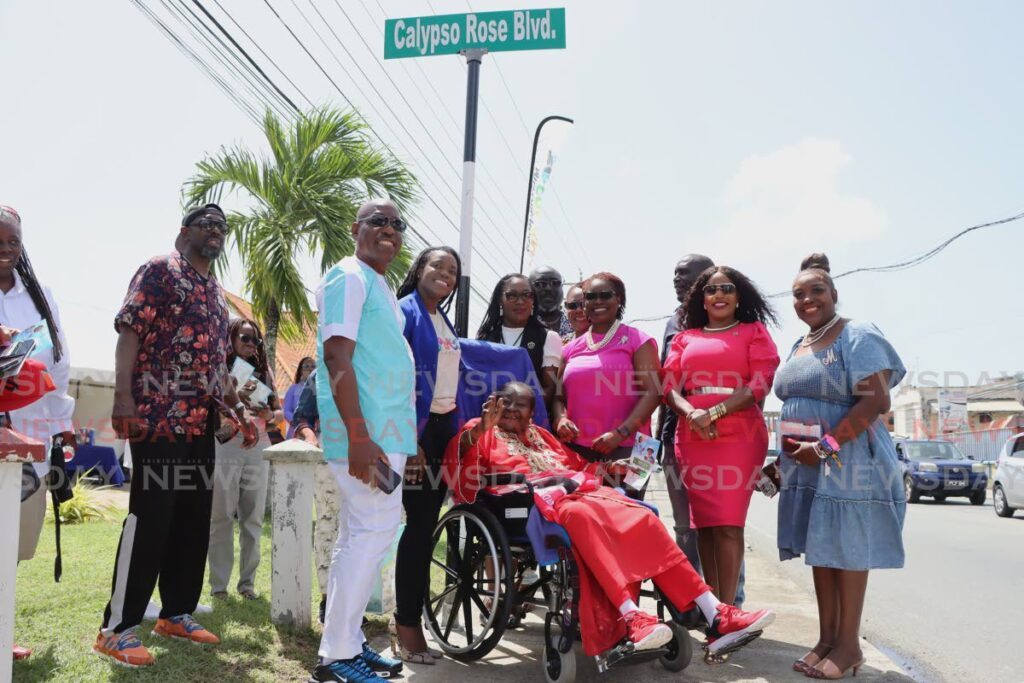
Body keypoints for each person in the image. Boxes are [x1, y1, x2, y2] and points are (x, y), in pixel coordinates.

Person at [444, 382, 776, 659]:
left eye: (522, 405)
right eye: (506, 402)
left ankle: (715, 611)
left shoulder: (542, 435)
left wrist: (611, 469)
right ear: (494, 403)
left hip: (576, 492)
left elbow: (575, 465)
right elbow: (462, 475)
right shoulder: (478, 429)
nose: (513, 409)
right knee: (581, 514)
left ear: (533, 412)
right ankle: (631, 615)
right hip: (528, 507)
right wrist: (482, 430)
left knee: (641, 515)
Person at [95, 204, 256, 668]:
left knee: (190, 520)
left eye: (223, 228)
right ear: (184, 231)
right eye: (208, 224)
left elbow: (218, 368)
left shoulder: (214, 293)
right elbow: (129, 333)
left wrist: (239, 411)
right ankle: (117, 628)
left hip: (198, 425)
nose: (217, 233)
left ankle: (176, 613)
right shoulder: (158, 270)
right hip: (156, 418)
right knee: (150, 521)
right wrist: (122, 398)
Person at [776, 262, 906, 679]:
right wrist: (783, 460)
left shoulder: (858, 334)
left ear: (833, 294)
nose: (807, 299)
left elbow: (874, 403)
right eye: (798, 294)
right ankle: (827, 638)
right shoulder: (802, 341)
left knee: (846, 549)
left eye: (816, 290)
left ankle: (849, 645)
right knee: (822, 550)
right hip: (808, 461)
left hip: (848, 456)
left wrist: (826, 446)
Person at [309, 199, 412, 683]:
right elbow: (336, 359)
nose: (389, 230)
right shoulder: (347, 276)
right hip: (364, 432)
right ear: (356, 229)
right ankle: (336, 658)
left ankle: (346, 642)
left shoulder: (377, 284)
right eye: (379, 222)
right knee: (372, 532)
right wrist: (358, 437)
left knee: (359, 536)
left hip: (382, 431)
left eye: (397, 225)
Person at [663, 266, 780, 617]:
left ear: (738, 296)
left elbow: (760, 383)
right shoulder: (686, 337)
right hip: (692, 435)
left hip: (739, 435)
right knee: (706, 529)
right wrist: (690, 414)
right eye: (712, 290)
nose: (719, 295)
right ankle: (717, 614)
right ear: (702, 298)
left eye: (727, 288)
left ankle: (729, 613)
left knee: (729, 525)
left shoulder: (753, 332)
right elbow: (668, 387)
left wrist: (711, 414)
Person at [0, 205, 76, 662]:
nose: (7, 250)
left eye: (14, 242)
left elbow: (60, 363)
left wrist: (62, 427)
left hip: (29, 438)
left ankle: (2, 632)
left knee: (13, 543)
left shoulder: (38, 295)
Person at [392, 246, 462, 663]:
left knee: (423, 528)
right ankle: (406, 625)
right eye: (437, 265)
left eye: (452, 270)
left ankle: (408, 618)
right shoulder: (405, 311)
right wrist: (409, 439)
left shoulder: (443, 319)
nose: (445, 273)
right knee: (415, 531)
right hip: (412, 433)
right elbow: (394, 375)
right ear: (419, 268)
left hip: (440, 433)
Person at [553, 272, 661, 467]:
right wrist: (560, 419)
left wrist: (620, 434)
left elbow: (653, 393)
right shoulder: (569, 348)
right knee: (582, 498)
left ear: (618, 299)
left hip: (638, 449)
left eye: (605, 295)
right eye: (590, 297)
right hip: (579, 449)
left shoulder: (640, 340)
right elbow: (558, 397)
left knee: (629, 499)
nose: (597, 301)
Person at [208, 318, 281, 601]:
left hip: (259, 446)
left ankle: (247, 583)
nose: (250, 345)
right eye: (244, 338)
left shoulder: (265, 372)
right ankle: (219, 585)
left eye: (255, 340)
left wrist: (268, 415)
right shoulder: (220, 368)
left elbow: (279, 415)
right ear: (231, 338)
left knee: (252, 518)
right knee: (222, 515)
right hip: (227, 443)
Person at [656, 254, 713, 561]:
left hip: (715, 434)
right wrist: (658, 440)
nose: (678, 280)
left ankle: (728, 602)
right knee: (684, 527)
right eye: (675, 274)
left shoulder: (727, 319)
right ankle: (689, 605)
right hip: (672, 435)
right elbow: (665, 382)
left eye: (686, 274)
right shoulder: (672, 322)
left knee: (718, 525)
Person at [476, 273, 562, 410]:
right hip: (489, 418)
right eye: (512, 295)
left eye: (526, 295)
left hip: (528, 421)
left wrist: (515, 412)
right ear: (500, 300)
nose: (520, 301)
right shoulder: (485, 337)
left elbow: (549, 388)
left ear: (533, 300)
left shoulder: (548, 337)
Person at [528, 265, 572, 339]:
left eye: (555, 283)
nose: (548, 288)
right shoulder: (521, 323)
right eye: (540, 284)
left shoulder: (577, 321)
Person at [284, 356, 315, 437]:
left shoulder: (322, 390)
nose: (310, 369)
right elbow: (286, 411)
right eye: (306, 366)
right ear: (301, 371)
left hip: (316, 430)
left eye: (313, 366)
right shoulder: (293, 388)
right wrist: (297, 423)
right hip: (296, 430)